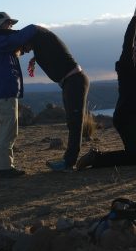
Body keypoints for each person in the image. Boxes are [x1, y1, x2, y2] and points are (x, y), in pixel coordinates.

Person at [76, 5, 136, 170]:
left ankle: (96, 158)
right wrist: (133, 22)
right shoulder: (126, 66)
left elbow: (135, 42)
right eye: (134, 50)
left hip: (134, 118)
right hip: (126, 117)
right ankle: (95, 158)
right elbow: (128, 42)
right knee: (135, 158)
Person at [0, 12, 38, 178]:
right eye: (8, 24)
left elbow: (14, 46)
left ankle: (0, 167)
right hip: (5, 93)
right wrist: (34, 28)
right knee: (8, 132)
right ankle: (5, 168)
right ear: (1, 25)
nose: (11, 27)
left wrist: (21, 49)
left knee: (5, 131)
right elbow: (16, 39)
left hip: (3, 93)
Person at [24, 27, 90, 171]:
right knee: (72, 122)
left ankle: (69, 163)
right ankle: (68, 160)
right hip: (69, 82)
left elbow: (34, 28)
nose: (26, 51)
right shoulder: (40, 47)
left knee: (75, 122)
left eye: (24, 47)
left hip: (75, 80)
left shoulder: (42, 37)